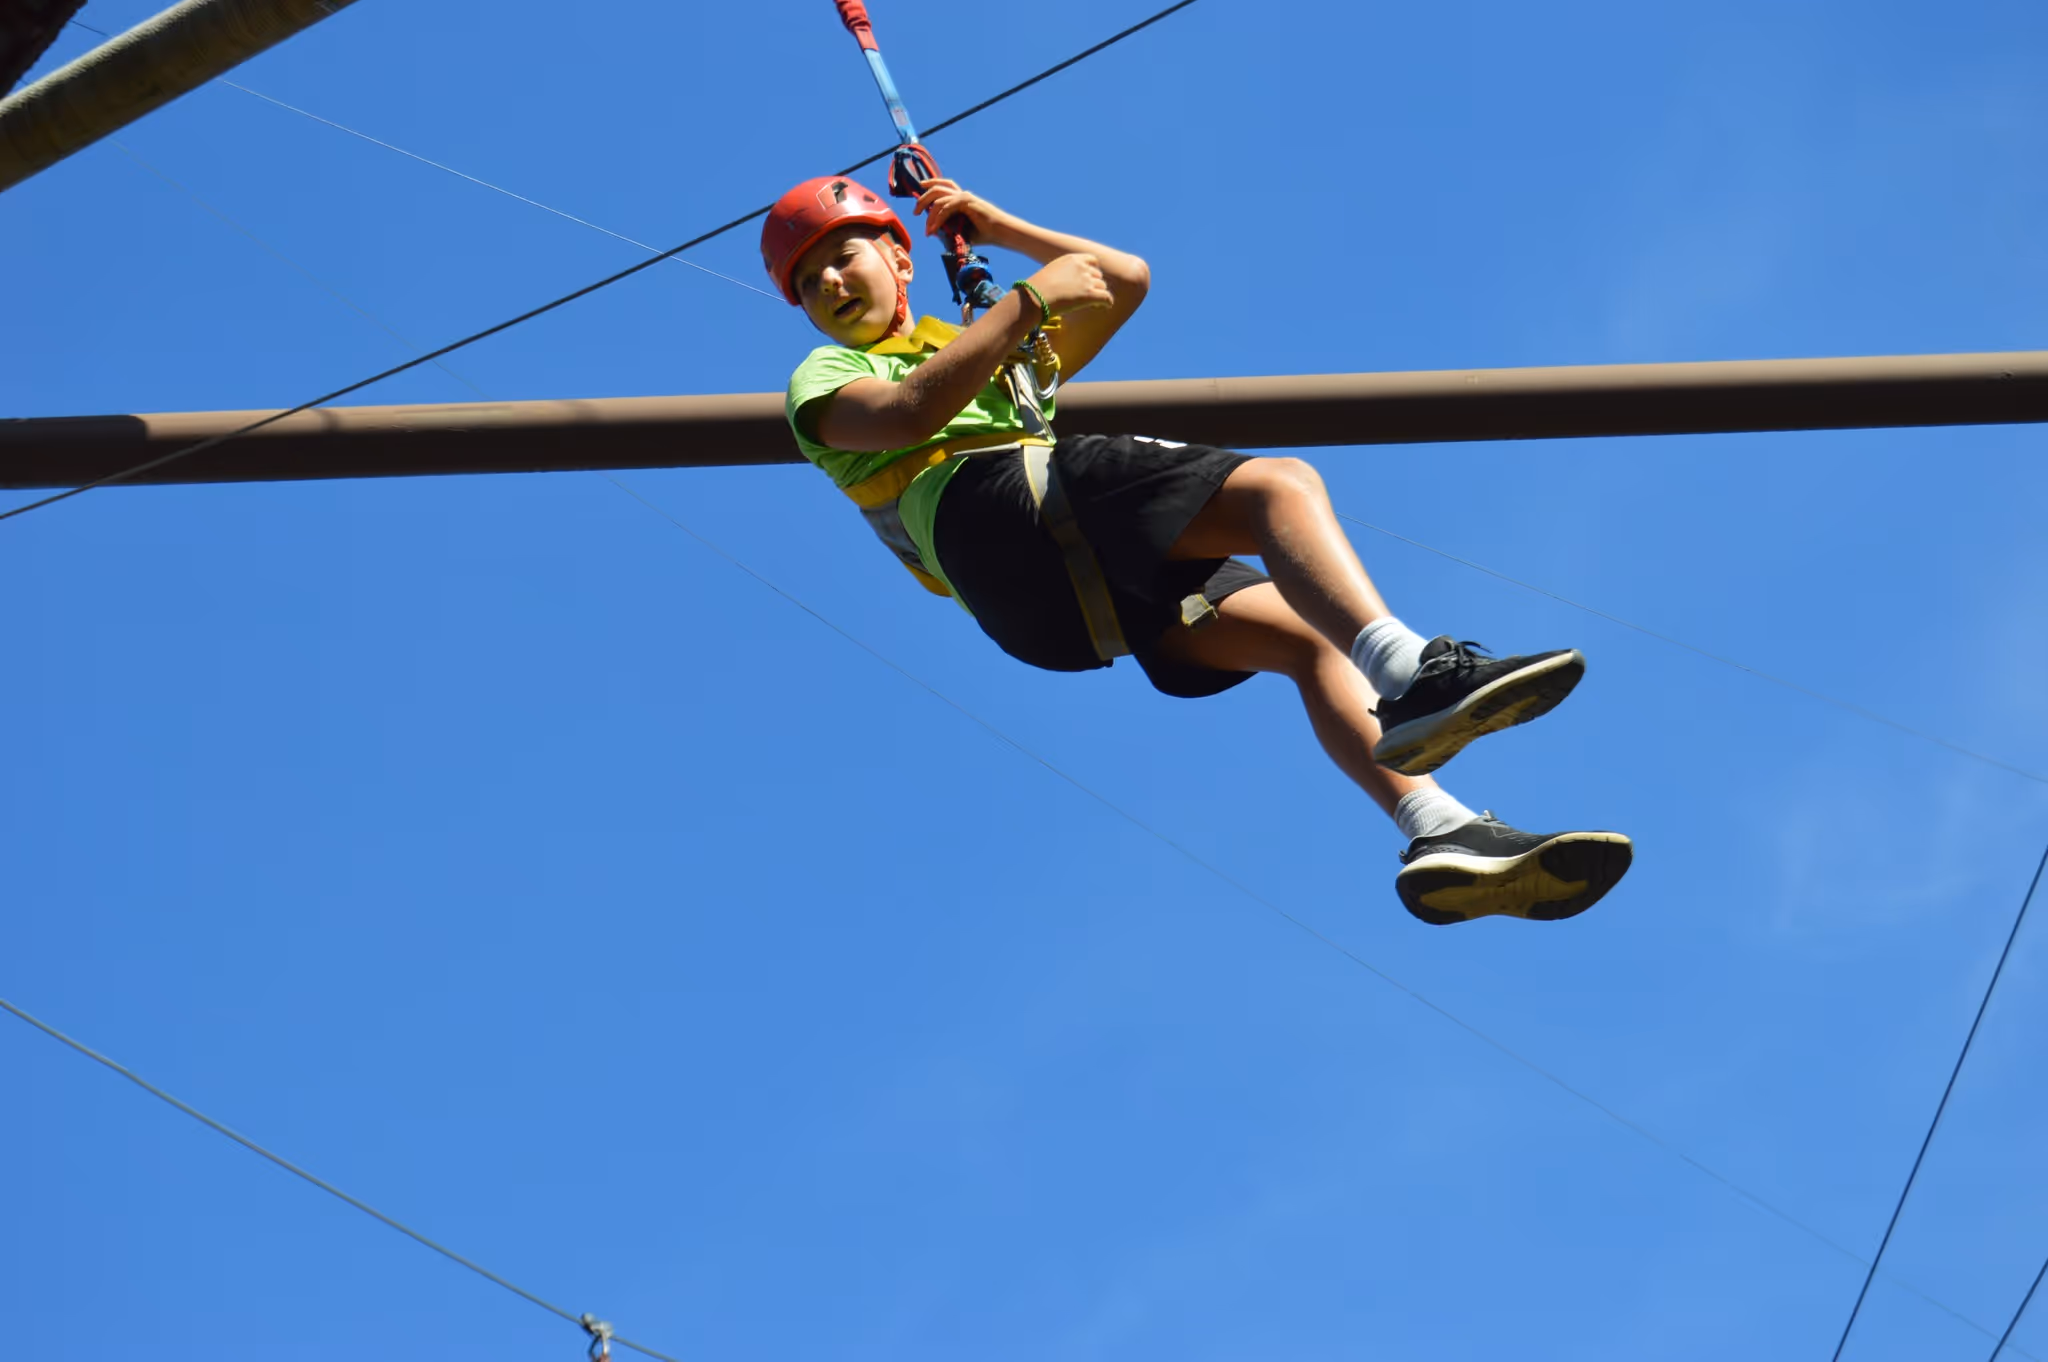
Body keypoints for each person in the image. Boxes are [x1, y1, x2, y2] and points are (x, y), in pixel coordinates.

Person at [762, 174, 1632, 924]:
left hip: (1057, 605)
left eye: (843, 255)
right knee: (1278, 488)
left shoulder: (979, 355)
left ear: (900, 257)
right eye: (808, 280)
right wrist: (1026, 302)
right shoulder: (828, 377)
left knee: (1309, 638)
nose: (829, 281)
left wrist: (998, 229)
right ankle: (1413, 673)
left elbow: (1122, 280)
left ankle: (1439, 830)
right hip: (998, 516)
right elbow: (911, 410)